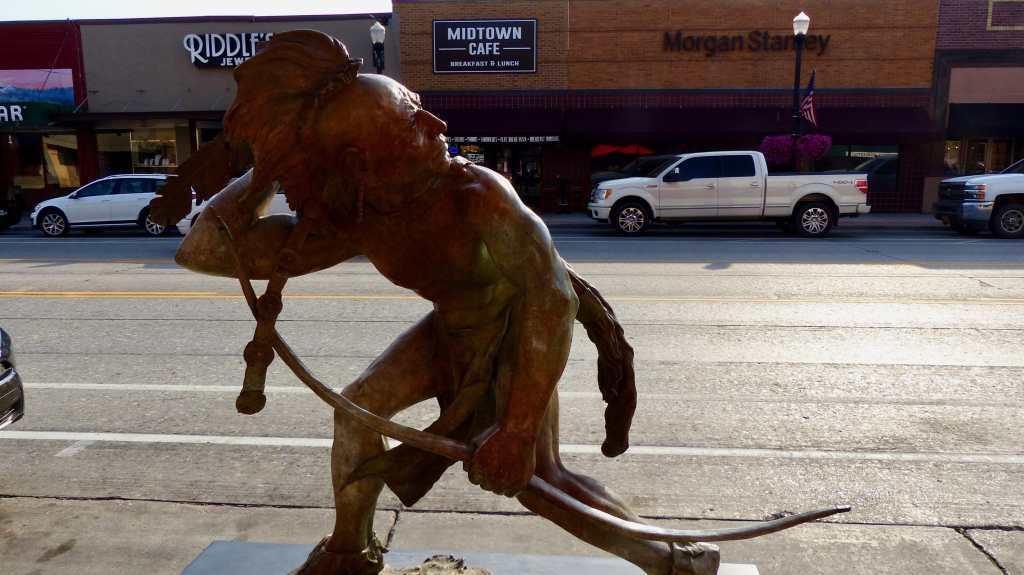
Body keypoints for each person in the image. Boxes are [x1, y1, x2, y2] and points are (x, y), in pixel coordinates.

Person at [159, 30, 717, 575]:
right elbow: (205, 249)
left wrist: (517, 429)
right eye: (412, 123)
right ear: (362, 161)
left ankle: (675, 560)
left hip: (515, 334)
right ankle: (350, 552)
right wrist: (270, 165)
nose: (437, 125)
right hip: (449, 330)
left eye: (421, 110)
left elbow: (550, 299)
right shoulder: (360, 215)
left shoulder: (478, 194)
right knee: (356, 411)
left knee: (536, 479)